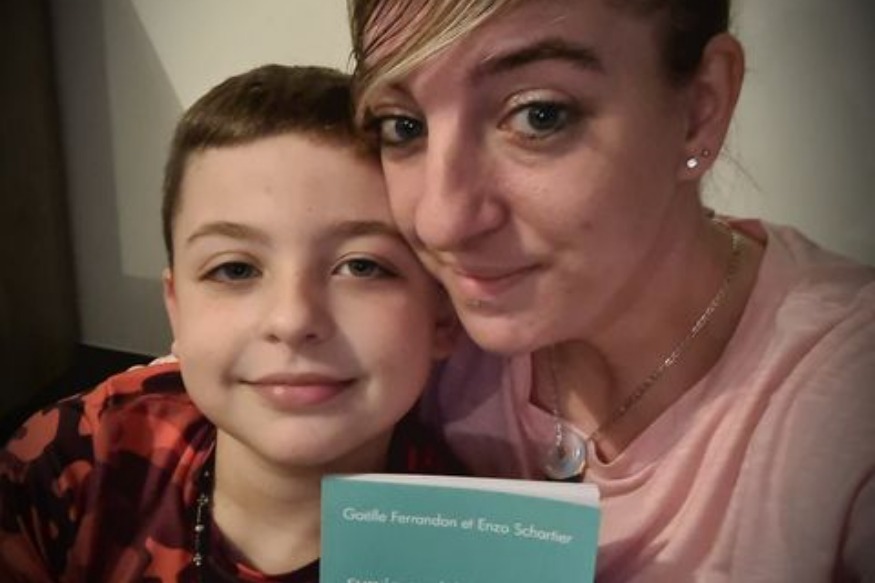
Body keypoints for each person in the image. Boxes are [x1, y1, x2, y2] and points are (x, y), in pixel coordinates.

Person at [347, 0, 875, 581]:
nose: (440, 222)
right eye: (402, 127)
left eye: (539, 116)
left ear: (701, 109)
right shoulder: (421, 333)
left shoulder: (847, 401)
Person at [0, 64, 460, 581]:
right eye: (235, 269)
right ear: (176, 308)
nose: (292, 320)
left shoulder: (479, 542)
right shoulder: (76, 457)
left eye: (361, 266)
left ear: (442, 313)